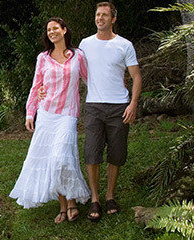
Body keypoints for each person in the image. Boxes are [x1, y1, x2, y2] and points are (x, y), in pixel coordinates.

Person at [9, 17, 92, 223]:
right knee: (51, 160)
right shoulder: (43, 58)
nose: (52, 32)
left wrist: (107, 97)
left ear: (64, 30)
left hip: (68, 114)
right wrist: (30, 113)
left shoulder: (78, 56)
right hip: (47, 114)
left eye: (55, 28)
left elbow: (90, 79)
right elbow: (36, 86)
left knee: (62, 157)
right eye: (49, 30)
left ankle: (72, 201)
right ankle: (64, 206)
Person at [80, 1, 141, 221]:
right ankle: (95, 198)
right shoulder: (85, 44)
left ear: (113, 19)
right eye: (98, 15)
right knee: (92, 152)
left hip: (119, 107)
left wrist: (132, 104)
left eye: (105, 15)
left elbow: (136, 76)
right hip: (94, 106)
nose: (100, 18)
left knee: (116, 154)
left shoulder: (125, 45)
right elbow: (74, 71)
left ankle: (110, 195)